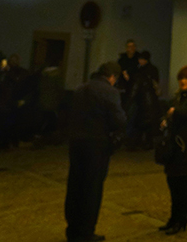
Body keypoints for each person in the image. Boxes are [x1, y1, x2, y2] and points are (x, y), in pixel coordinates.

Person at [65, 62, 126, 242]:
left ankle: (72, 229)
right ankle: (86, 231)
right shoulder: (110, 92)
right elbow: (119, 120)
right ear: (113, 77)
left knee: (75, 185)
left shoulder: (81, 88)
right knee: (92, 188)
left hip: (76, 142)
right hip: (96, 144)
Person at [160, 65, 187, 236]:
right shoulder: (178, 97)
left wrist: (175, 111)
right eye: (181, 78)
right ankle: (173, 218)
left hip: (186, 148)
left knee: (182, 185)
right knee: (172, 183)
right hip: (174, 147)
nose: (183, 81)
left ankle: (181, 219)